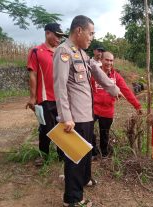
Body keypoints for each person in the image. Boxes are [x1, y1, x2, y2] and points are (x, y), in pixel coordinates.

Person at [53, 15, 121, 207]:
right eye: (90, 33)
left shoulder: (81, 53)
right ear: (79, 31)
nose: (92, 37)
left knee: (85, 152)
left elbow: (97, 72)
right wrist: (65, 117)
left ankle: (84, 179)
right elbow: (60, 86)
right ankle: (73, 199)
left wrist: (113, 88)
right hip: (74, 117)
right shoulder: (64, 51)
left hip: (86, 114)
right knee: (75, 156)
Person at [25, 23, 66, 166]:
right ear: (48, 33)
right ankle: (43, 155)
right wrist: (32, 97)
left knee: (62, 125)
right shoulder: (36, 51)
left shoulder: (62, 52)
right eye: (57, 35)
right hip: (45, 98)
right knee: (46, 128)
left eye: (61, 37)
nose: (59, 39)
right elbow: (33, 75)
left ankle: (62, 155)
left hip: (62, 98)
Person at [91, 51, 142, 158]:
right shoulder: (93, 74)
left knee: (105, 134)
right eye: (107, 60)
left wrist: (137, 106)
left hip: (107, 110)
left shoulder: (116, 76)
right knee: (89, 130)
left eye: (111, 60)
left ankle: (104, 154)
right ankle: (93, 152)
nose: (109, 63)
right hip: (93, 109)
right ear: (101, 60)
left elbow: (127, 91)